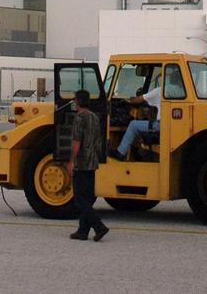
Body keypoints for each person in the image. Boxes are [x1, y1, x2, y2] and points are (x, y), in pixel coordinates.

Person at [67, 89, 109, 242]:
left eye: (75, 100)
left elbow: (77, 141)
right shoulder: (95, 117)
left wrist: (71, 161)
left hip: (82, 162)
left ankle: (99, 226)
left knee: (79, 199)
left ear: (78, 101)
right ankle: (83, 231)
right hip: (93, 161)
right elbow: (98, 140)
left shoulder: (79, 118)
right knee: (88, 198)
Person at [109, 82, 161, 161]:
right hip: (165, 125)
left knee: (133, 124)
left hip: (159, 126)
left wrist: (129, 101)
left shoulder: (159, 91)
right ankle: (138, 155)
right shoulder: (174, 91)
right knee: (140, 125)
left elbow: (140, 99)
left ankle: (120, 153)